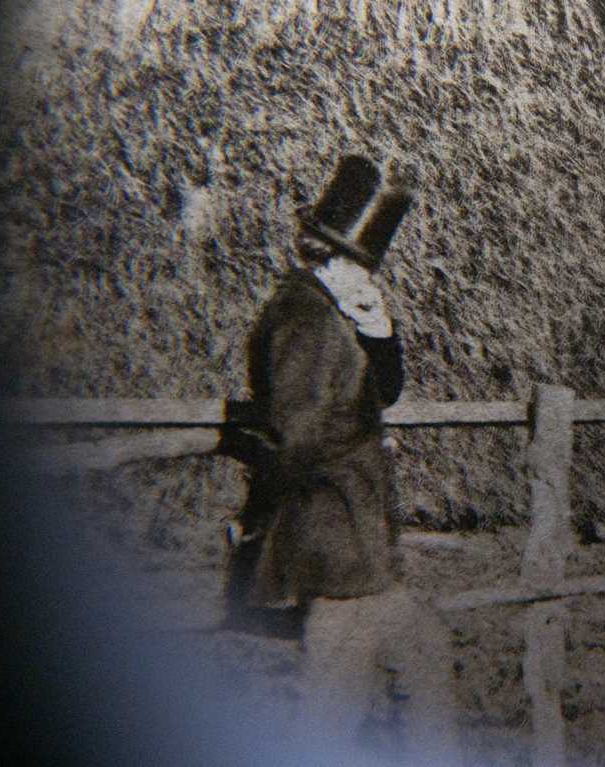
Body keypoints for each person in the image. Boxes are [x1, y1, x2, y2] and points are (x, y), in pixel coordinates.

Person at [225, 155, 453, 760]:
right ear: (324, 257)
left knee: (418, 662)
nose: (367, 277)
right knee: (339, 696)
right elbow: (295, 432)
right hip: (331, 525)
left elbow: (387, 390)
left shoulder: (335, 313)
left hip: (356, 524)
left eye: (370, 268)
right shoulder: (303, 318)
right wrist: (350, 458)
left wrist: (376, 325)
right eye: (358, 266)